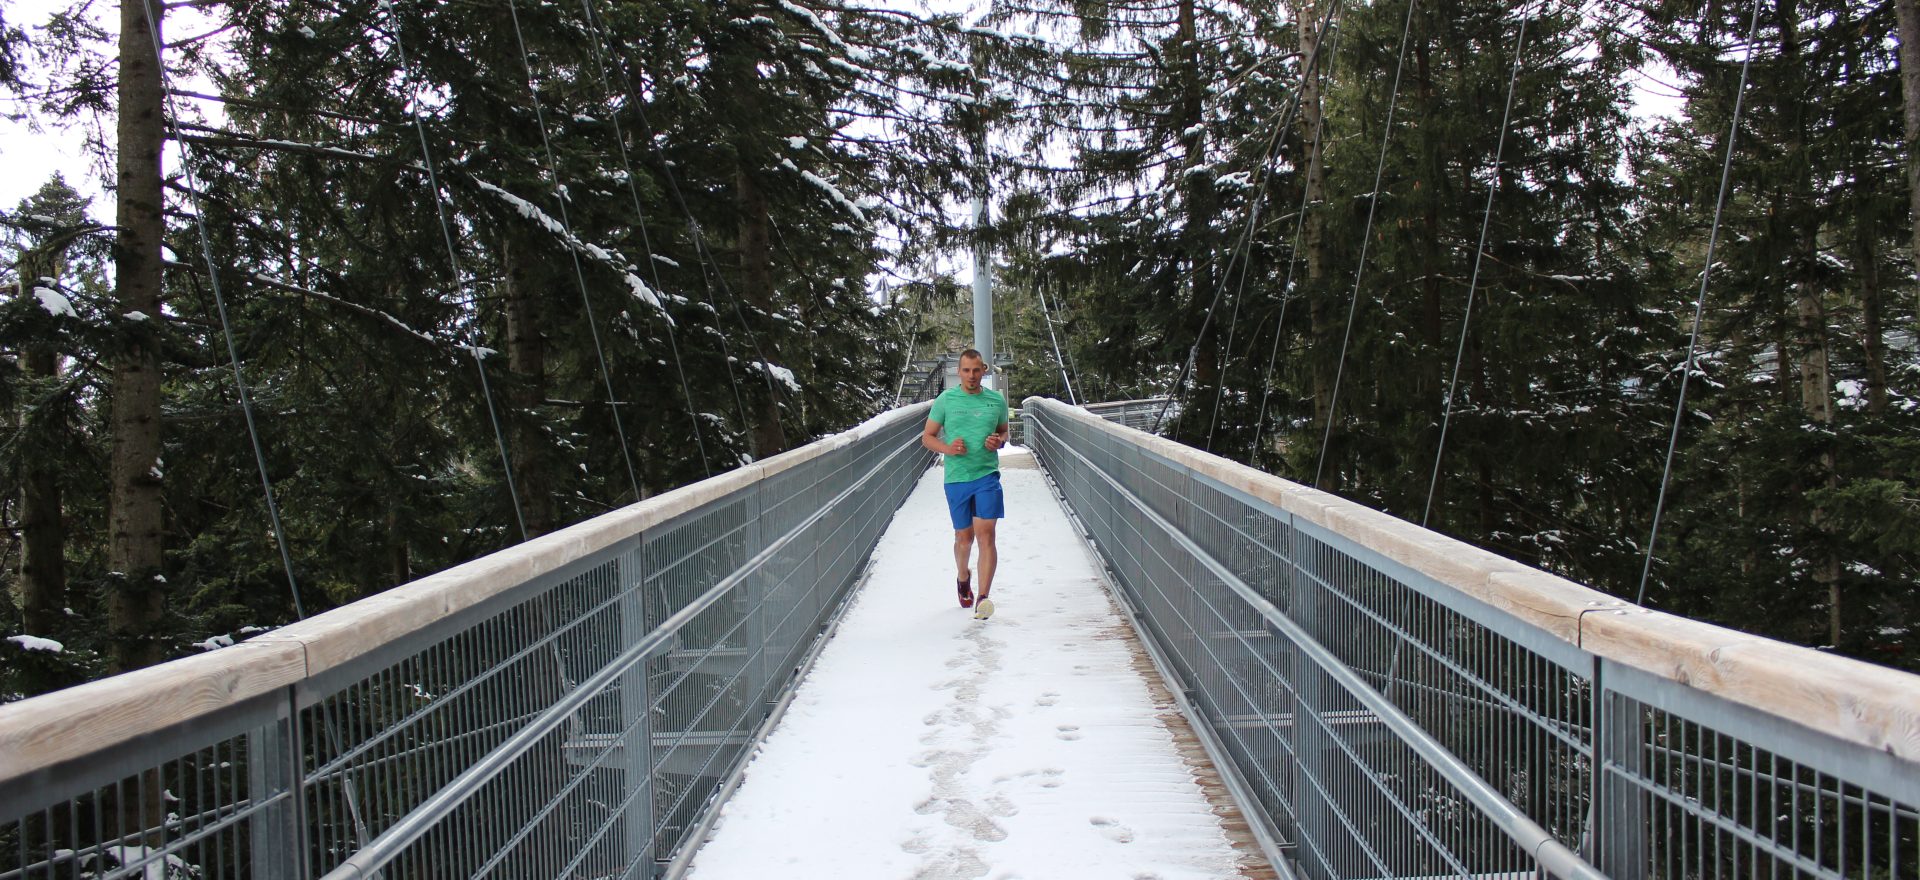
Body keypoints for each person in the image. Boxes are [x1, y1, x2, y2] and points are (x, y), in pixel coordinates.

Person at [921, 349, 1010, 618]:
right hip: (957, 478)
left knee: (987, 535)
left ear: (983, 371)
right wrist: (948, 449)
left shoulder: (996, 400)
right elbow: (927, 437)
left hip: (987, 476)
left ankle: (983, 598)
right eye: (966, 370)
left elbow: (1004, 431)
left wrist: (998, 441)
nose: (971, 375)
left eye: (976, 370)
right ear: (958, 372)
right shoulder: (946, 400)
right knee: (964, 538)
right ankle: (963, 576)